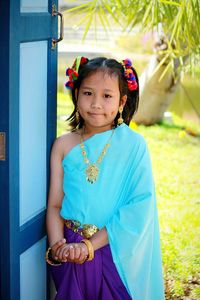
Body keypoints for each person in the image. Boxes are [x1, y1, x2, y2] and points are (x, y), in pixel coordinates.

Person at [46, 56, 165, 300]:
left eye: (107, 96)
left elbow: (138, 206)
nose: (96, 104)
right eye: (88, 93)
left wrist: (89, 245)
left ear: (122, 101)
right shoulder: (63, 145)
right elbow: (55, 205)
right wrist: (59, 246)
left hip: (113, 249)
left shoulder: (133, 145)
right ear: (76, 93)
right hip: (71, 250)